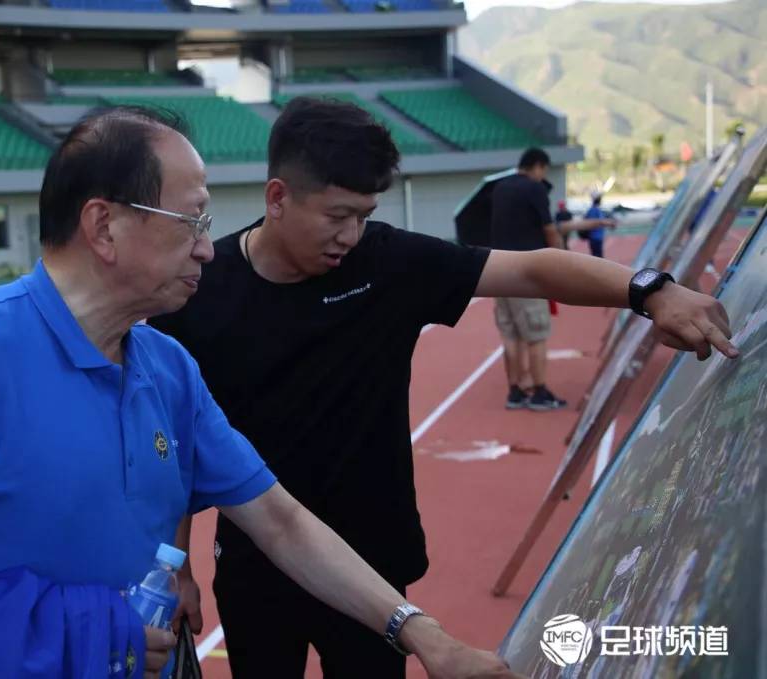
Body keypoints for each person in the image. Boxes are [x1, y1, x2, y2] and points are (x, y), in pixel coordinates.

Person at [0, 106, 522, 679]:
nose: (207, 246)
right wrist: (67, 628)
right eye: (191, 220)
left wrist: (422, 634)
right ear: (104, 226)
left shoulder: (167, 367)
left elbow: (280, 521)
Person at [149, 98, 738, 679]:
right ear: (278, 197)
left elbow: (530, 269)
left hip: (375, 567)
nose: (351, 234)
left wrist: (652, 289)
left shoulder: (386, 262)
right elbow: (174, 446)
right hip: (257, 563)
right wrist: (177, 567)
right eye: (337, 215)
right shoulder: (202, 293)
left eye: (364, 214)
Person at [490, 148, 615, 411]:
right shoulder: (534, 188)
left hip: (499, 271)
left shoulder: (500, 188)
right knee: (536, 335)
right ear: (538, 166)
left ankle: (515, 391)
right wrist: (561, 262)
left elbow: (552, 226)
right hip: (527, 273)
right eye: (544, 171)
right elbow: (550, 229)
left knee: (510, 336)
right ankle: (539, 392)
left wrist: (597, 224)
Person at [583, 191, 610, 258]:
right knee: (599, 257)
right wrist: (610, 223)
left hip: (592, 236)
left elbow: (586, 219)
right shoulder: (597, 210)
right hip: (597, 237)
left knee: (594, 256)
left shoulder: (590, 210)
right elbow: (601, 221)